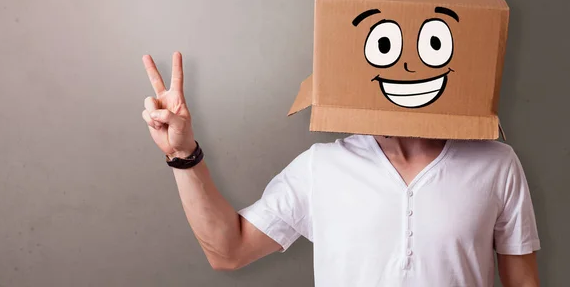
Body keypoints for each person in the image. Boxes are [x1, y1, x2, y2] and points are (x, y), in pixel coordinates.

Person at [141, 52, 540, 287]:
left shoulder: (496, 163)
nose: (405, 68)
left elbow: (523, 281)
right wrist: (184, 155)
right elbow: (228, 252)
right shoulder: (322, 167)